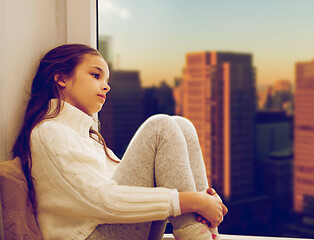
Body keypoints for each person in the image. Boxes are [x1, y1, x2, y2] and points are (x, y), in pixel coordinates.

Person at [12, 44, 228, 240]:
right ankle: (197, 235)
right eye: (95, 75)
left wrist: (202, 201)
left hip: (110, 228)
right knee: (160, 126)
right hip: (88, 235)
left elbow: (135, 192)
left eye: (106, 81)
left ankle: (206, 232)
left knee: (183, 125)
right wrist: (193, 201)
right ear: (61, 78)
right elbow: (101, 201)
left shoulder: (88, 138)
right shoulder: (49, 131)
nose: (106, 87)